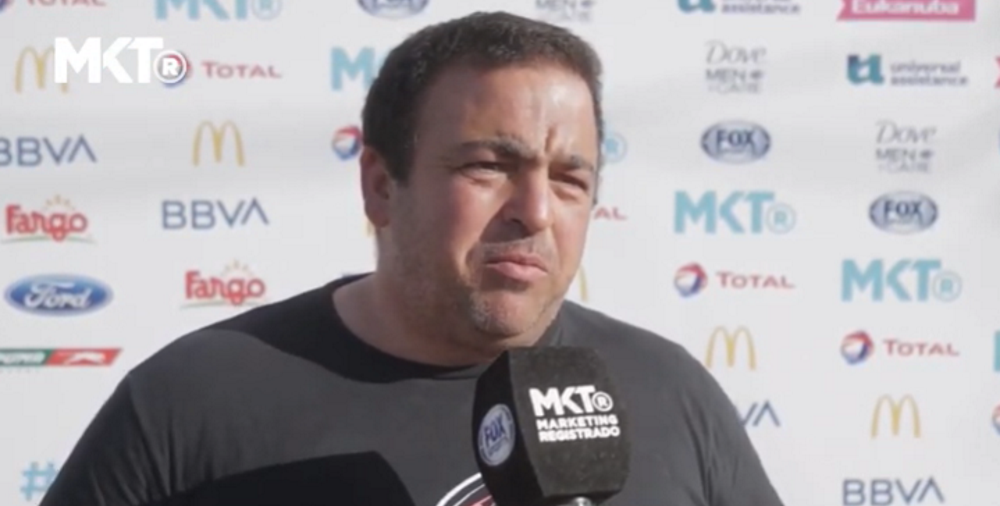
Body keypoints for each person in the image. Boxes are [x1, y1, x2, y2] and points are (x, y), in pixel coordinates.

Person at [40, 11, 784, 506]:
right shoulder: (189, 403)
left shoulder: (673, 394)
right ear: (379, 185)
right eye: (488, 166)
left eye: (569, 179)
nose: (535, 210)